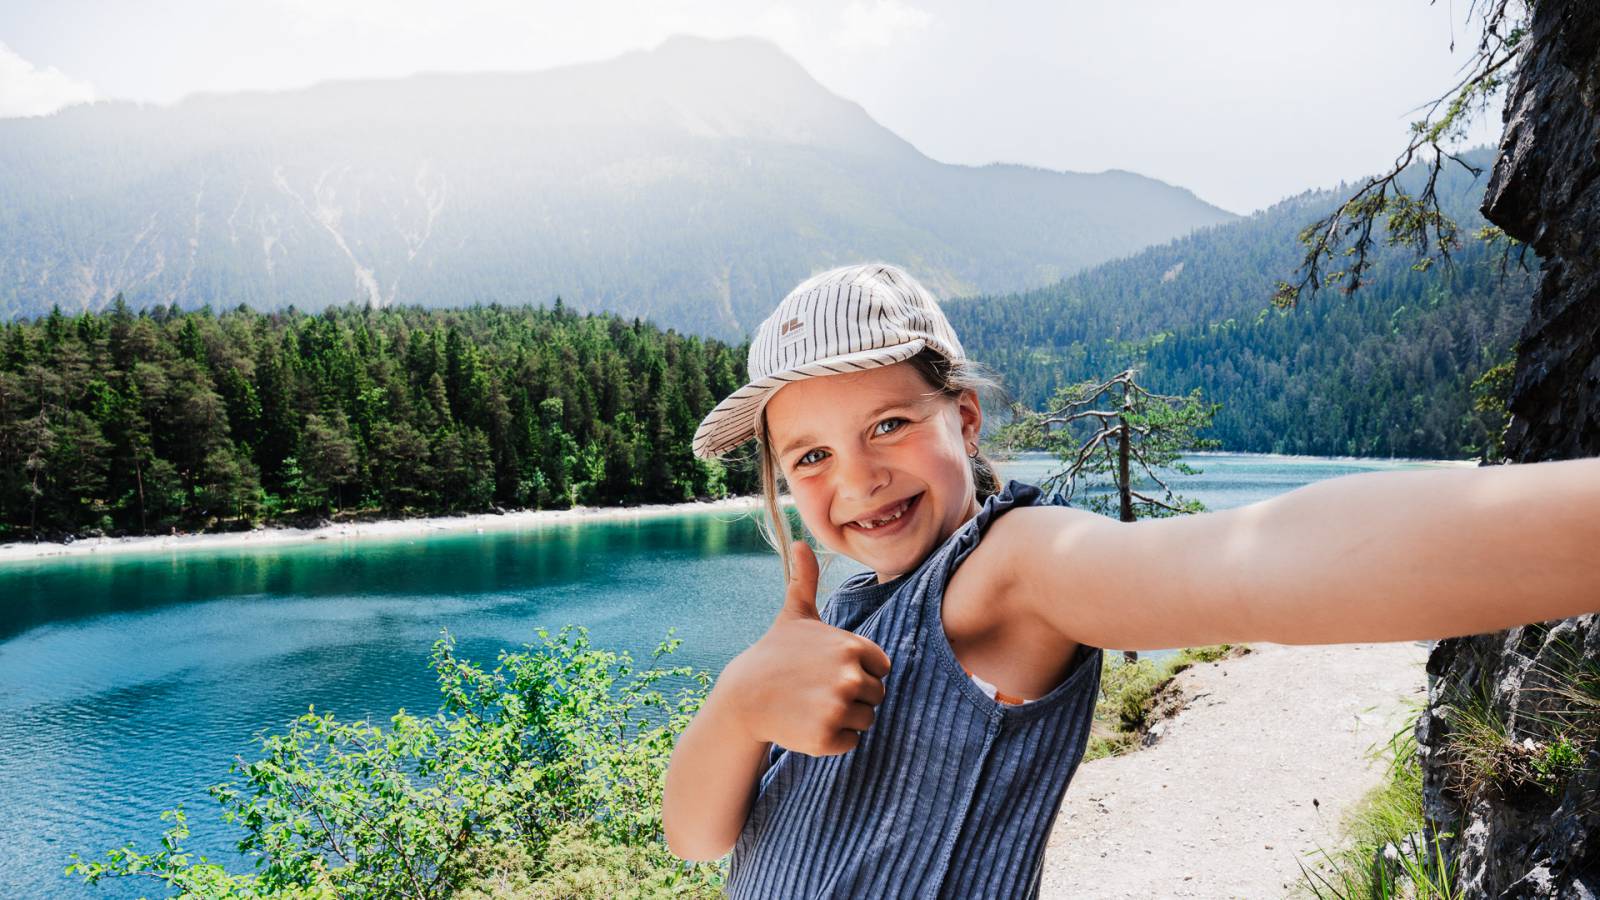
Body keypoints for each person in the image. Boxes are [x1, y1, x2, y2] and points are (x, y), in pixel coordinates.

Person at [660, 262, 1599, 898]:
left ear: (966, 419)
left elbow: (1260, 560)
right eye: (810, 455)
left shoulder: (1010, 570)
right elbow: (698, 838)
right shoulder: (832, 614)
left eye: (889, 426)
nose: (855, 478)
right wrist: (738, 705)